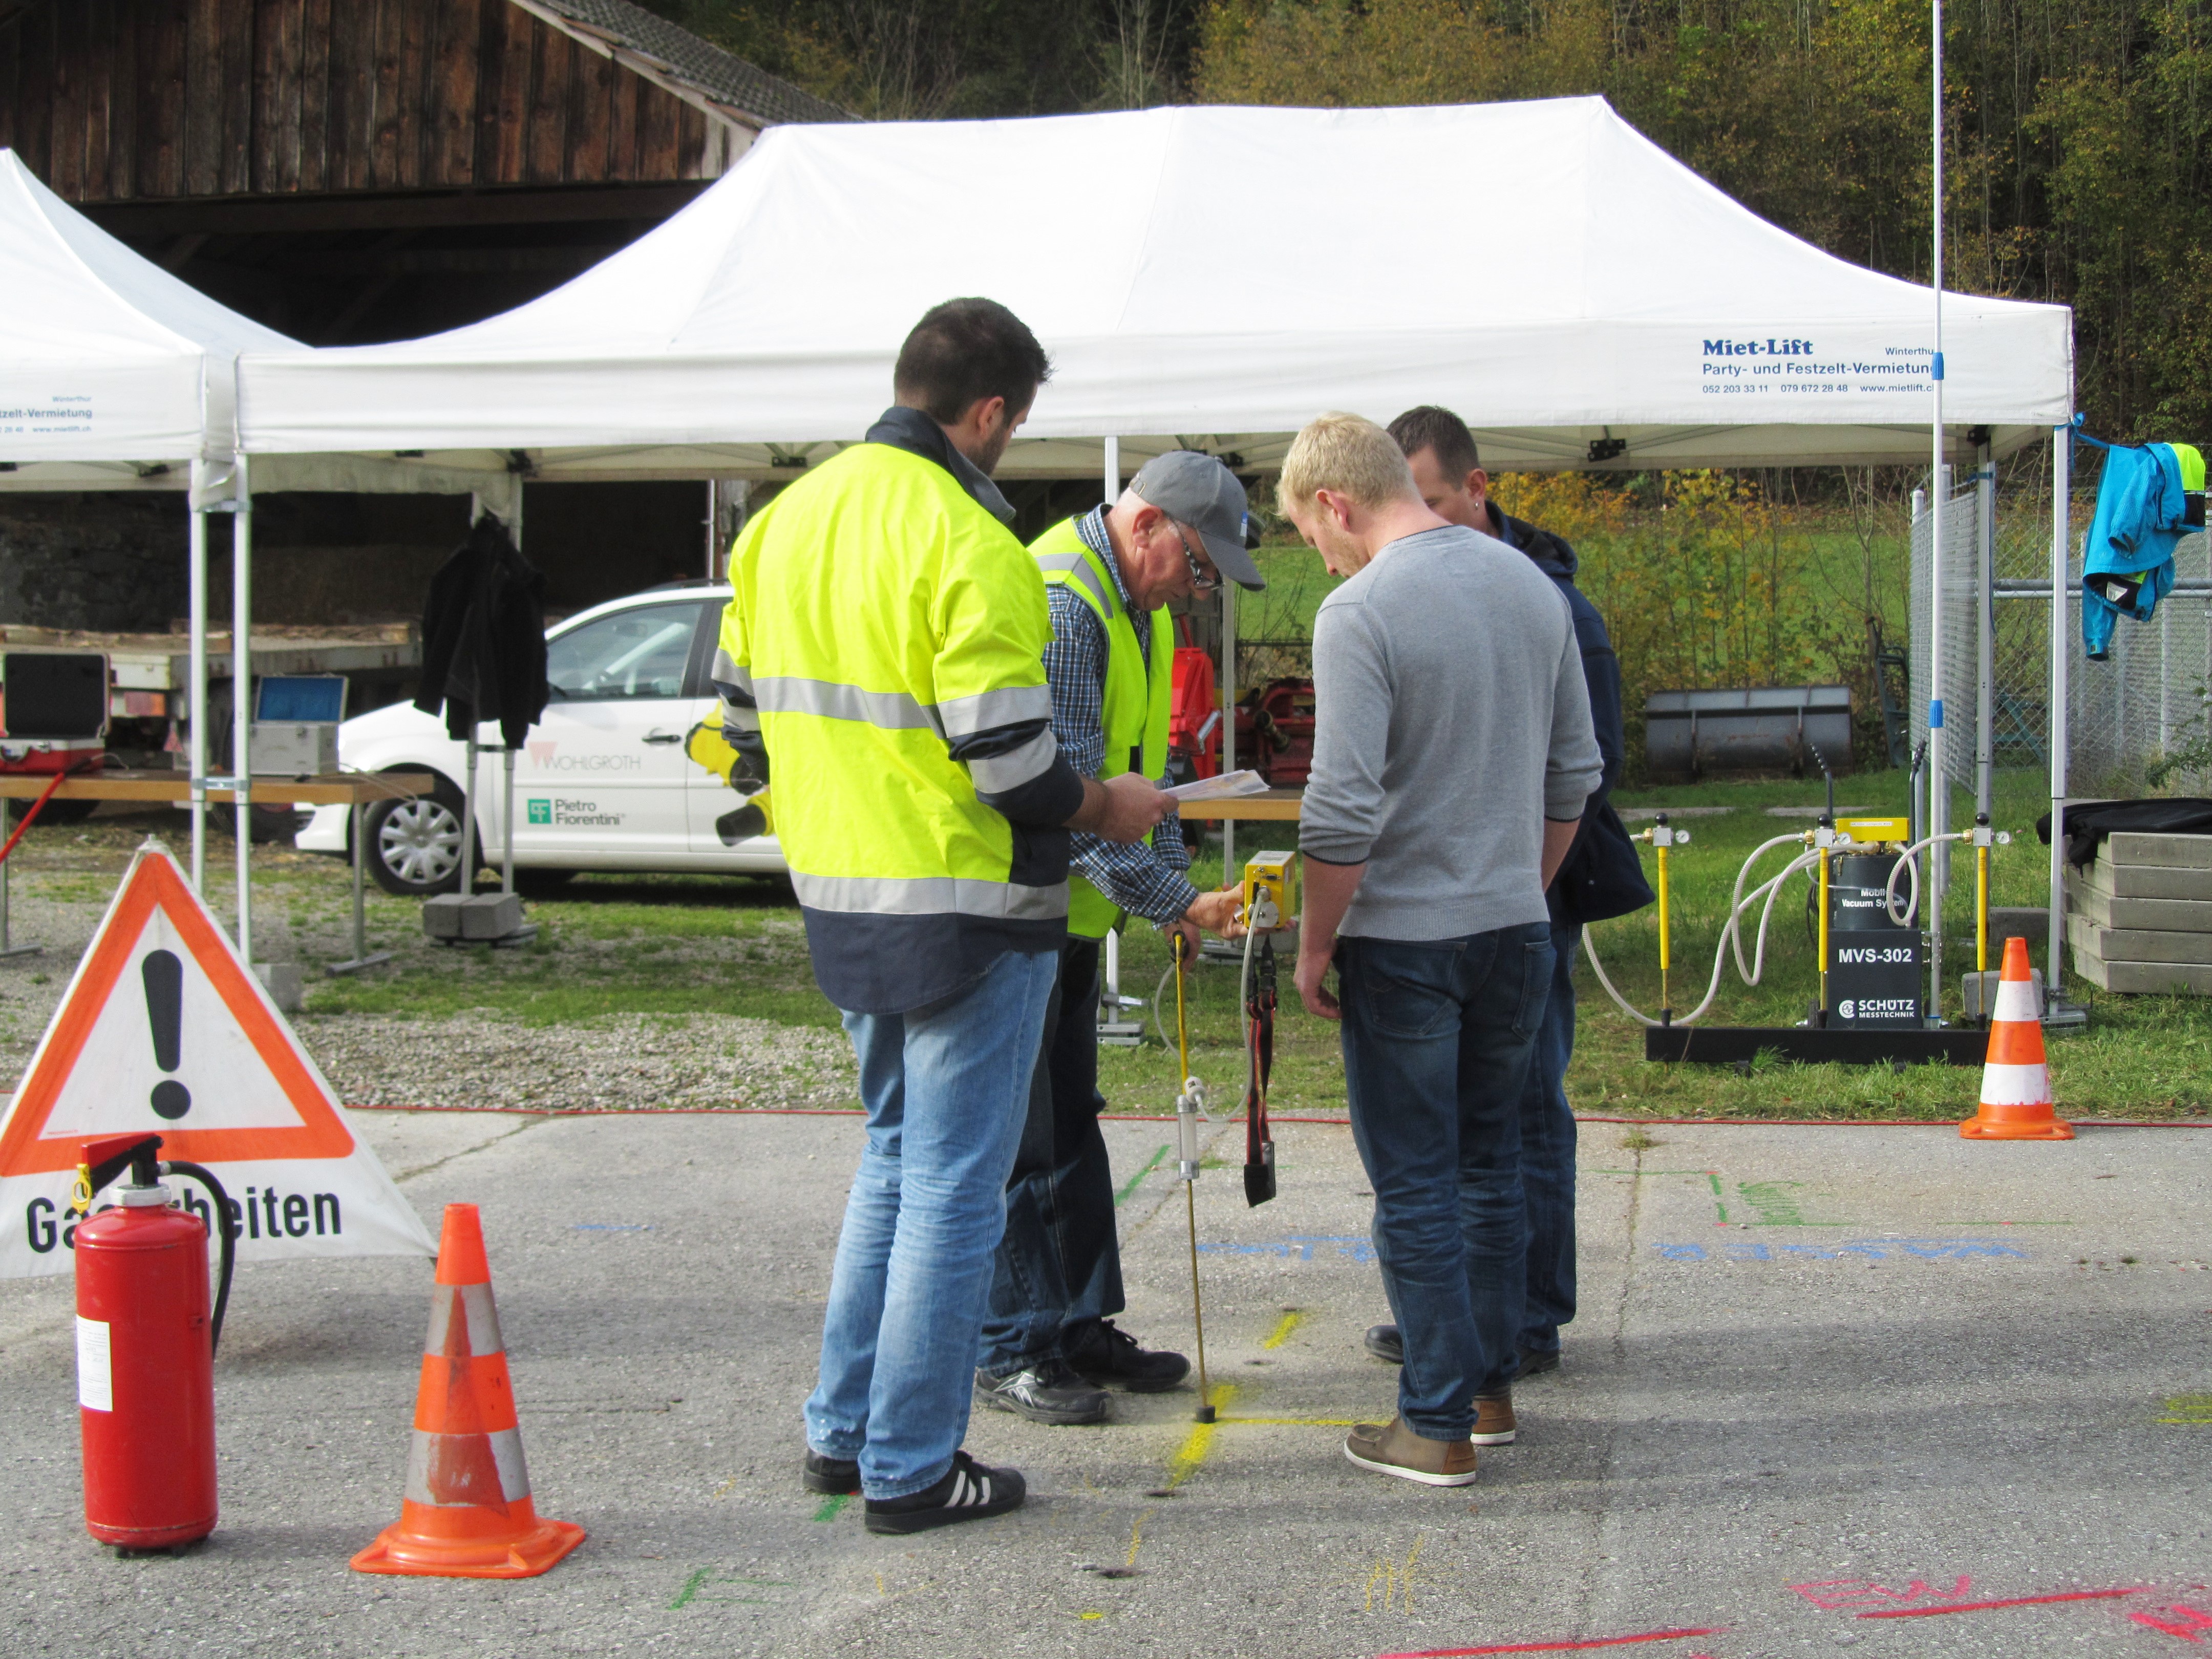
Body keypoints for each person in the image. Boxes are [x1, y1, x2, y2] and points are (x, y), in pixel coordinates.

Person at [714, 298, 1170, 1534]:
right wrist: (1113, 806)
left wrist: (841, 811)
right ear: (987, 414)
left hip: (843, 900)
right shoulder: (973, 541)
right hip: (973, 908)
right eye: (1013, 430)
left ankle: (844, 1431)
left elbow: (739, 741)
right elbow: (1016, 768)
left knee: (895, 1163)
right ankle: (911, 1468)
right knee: (957, 1191)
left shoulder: (778, 525)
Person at [1278, 412, 1600, 1487]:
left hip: (1406, 938)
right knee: (1491, 1167)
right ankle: (1490, 1389)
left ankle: (1434, 1420)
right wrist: (1523, 885)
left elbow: (1340, 808)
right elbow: (1574, 776)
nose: (1317, 556)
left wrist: (1315, 943)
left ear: (1336, 502)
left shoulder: (1359, 608)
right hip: (1514, 928)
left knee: (1415, 1181)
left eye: (1309, 533)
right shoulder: (1529, 586)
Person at [1355, 407, 1652, 1382]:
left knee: (1519, 1112)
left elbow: (1582, 768)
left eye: (1434, 500)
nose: (1421, 522)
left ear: (1478, 490)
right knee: (1454, 1127)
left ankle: (1522, 1316)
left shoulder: (1549, 603)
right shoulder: (1406, 591)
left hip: (1526, 897)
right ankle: (1458, 1323)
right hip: (1447, 902)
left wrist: (1523, 890)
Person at [977, 453, 1266, 1424]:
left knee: (1069, 1119)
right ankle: (1014, 1344)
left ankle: (1077, 1324)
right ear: (1147, 528)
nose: (1201, 584)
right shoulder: (1068, 602)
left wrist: (1176, 891)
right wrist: (1176, 904)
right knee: (1023, 1138)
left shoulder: (1132, 605)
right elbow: (1069, 794)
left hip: (1067, 915)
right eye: (1197, 561)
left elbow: (1153, 771)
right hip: (1017, 908)